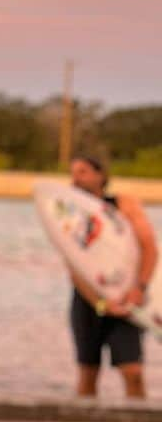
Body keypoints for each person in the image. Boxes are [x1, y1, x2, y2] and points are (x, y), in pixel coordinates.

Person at [68, 154, 156, 400]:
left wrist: (139, 288)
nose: (76, 178)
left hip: (128, 297)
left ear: (101, 176)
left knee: (133, 372)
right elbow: (74, 268)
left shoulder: (123, 205)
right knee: (87, 373)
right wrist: (100, 303)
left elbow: (149, 248)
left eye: (83, 172)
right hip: (88, 301)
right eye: (73, 173)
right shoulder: (70, 213)